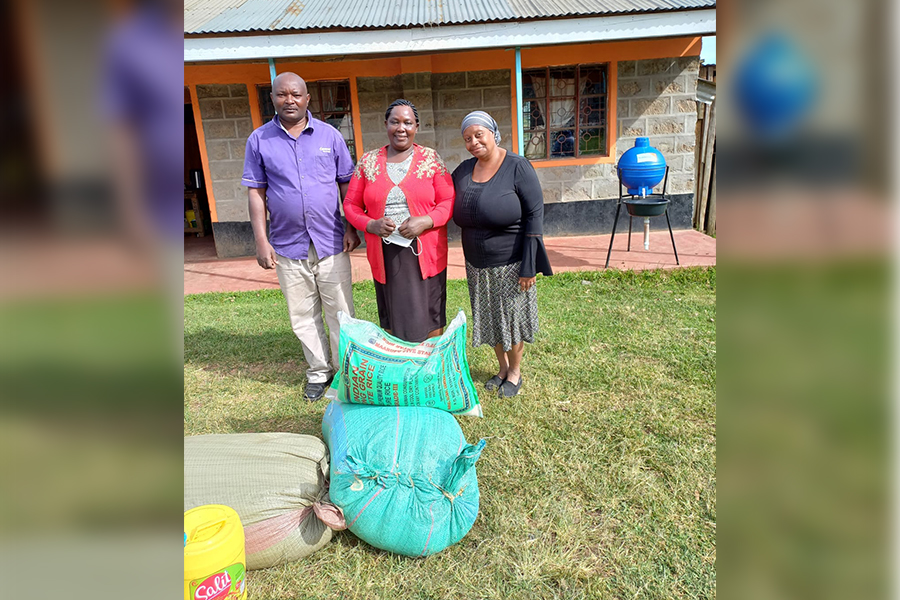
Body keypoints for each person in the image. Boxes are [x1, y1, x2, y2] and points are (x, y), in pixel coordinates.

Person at [242, 72, 360, 401]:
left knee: (341, 311)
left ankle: (345, 372)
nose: (289, 100)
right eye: (282, 95)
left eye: (296, 94)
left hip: (330, 239)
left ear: (307, 99)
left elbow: (346, 184)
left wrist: (351, 226)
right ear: (273, 99)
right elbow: (256, 193)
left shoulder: (330, 135)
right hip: (287, 244)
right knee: (303, 314)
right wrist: (261, 240)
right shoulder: (259, 140)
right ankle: (319, 372)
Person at [451, 111, 552, 397]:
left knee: (512, 319)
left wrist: (529, 266)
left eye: (478, 134)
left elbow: (534, 216)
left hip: (511, 262)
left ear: (494, 133)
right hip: (477, 264)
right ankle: (502, 368)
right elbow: (443, 195)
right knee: (491, 318)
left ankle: (515, 372)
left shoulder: (518, 167)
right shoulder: (463, 170)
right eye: (467, 138)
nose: (473, 142)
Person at [344, 99, 454, 343]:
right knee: (394, 311)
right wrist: (370, 225)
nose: (401, 128)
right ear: (386, 124)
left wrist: (425, 221)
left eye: (408, 122)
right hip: (385, 252)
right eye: (395, 122)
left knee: (429, 311)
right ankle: (399, 360)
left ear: (416, 126)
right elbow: (350, 204)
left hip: (425, 250)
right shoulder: (368, 162)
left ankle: (429, 360)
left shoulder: (431, 160)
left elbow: (448, 201)